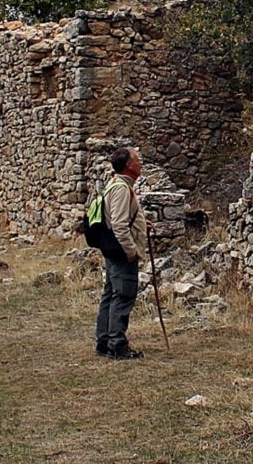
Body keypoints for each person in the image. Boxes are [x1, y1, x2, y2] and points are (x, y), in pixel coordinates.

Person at [94, 146, 149, 360]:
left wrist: (143, 225)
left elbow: (121, 217)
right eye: (137, 159)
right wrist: (130, 250)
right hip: (120, 251)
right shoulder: (121, 188)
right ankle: (117, 345)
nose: (140, 163)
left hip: (113, 248)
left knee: (111, 293)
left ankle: (105, 341)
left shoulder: (116, 184)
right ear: (129, 166)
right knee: (123, 294)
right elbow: (118, 223)